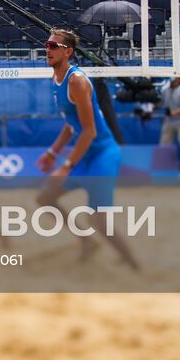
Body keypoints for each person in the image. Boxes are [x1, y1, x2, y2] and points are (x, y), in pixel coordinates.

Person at [36, 27, 139, 269]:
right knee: (46, 197)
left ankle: (133, 264)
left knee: (98, 219)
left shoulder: (77, 81)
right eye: (46, 44)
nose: (47, 49)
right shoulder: (56, 78)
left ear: (68, 51)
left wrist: (67, 164)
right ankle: (87, 242)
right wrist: (53, 153)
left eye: (53, 46)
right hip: (86, 152)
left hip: (102, 153)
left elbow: (90, 131)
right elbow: (72, 125)